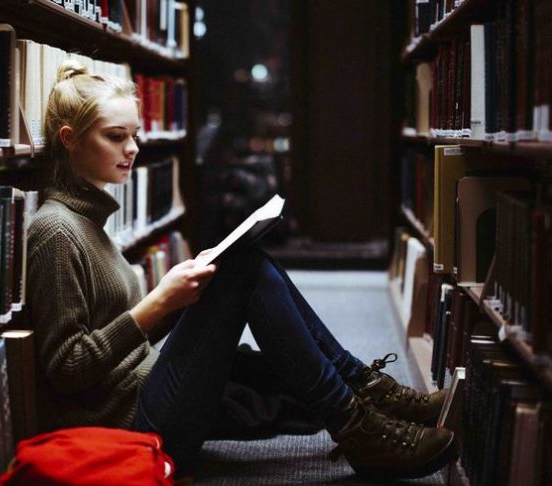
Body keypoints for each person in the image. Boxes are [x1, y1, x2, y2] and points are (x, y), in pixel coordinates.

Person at [26, 60, 457, 481]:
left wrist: (184, 294)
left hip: (148, 393)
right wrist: (160, 302)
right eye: (116, 137)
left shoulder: (90, 222)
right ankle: (359, 424)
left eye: (134, 135)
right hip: (132, 430)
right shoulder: (55, 232)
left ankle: (365, 393)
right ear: (70, 139)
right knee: (242, 270)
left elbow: (125, 340)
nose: (133, 149)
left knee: (240, 266)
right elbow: (68, 368)